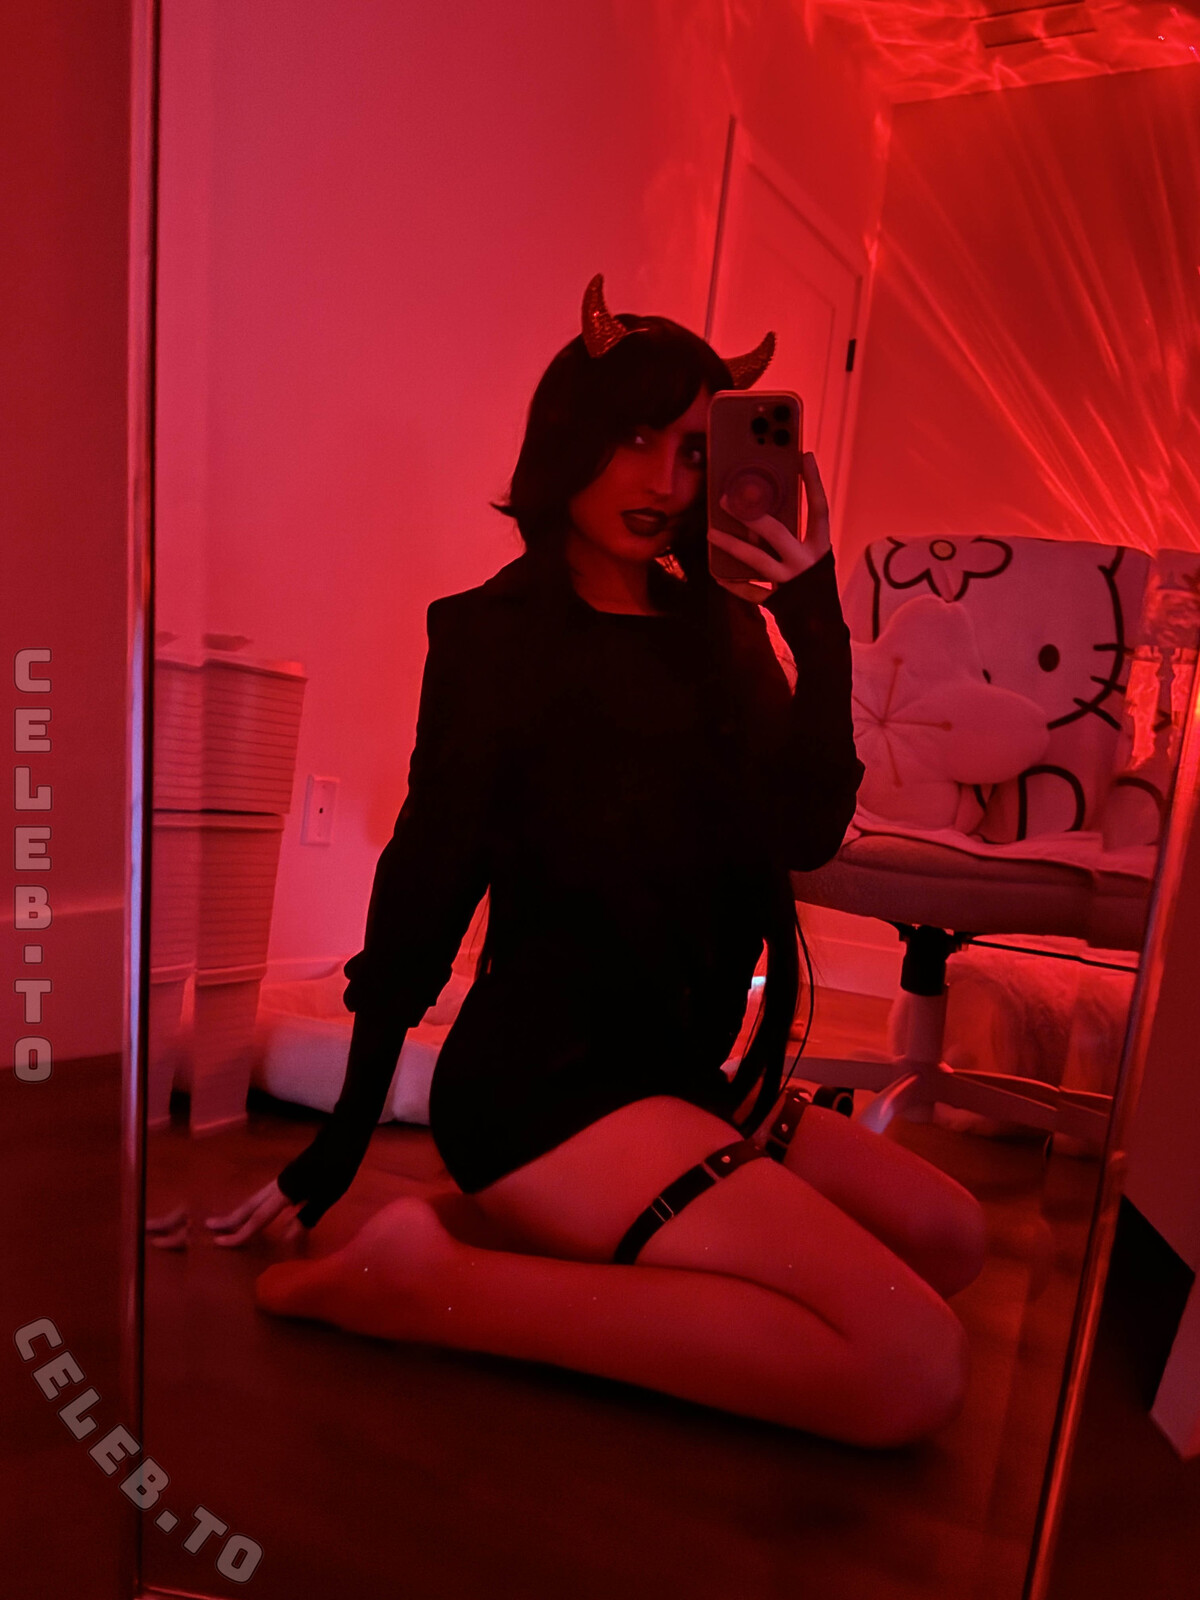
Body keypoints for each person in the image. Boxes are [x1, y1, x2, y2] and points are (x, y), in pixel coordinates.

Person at [206, 276, 986, 1449]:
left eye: (693, 450)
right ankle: (428, 1285)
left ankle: (498, 1232)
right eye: (634, 438)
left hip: (683, 1073)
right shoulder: (494, 636)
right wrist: (343, 1138)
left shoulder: (719, 632)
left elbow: (805, 834)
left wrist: (814, 622)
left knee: (950, 1238)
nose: (664, 480)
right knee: (910, 1365)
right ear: (570, 437)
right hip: (546, 1084)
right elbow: (427, 879)